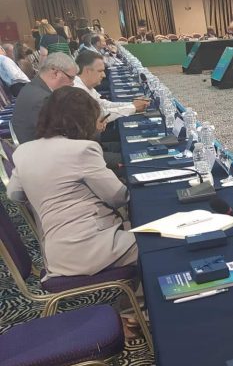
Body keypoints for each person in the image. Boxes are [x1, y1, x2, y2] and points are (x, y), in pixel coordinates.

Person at [7, 87, 138, 281]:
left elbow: (14, 194)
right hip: (91, 249)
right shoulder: (82, 149)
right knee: (159, 242)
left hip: (56, 256)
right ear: (83, 119)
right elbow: (118, 196)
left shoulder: (23, 151)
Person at [11, 52, 78, 144]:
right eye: (71, 78)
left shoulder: (33, 86)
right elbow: (58, 137)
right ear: (55, 73)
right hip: (38, 149)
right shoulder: (43, 99)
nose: (73, 83)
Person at [73, 49, 148, 121]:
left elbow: (105, 104)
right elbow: (100, 116)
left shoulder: (87, 86)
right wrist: (132, 107)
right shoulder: (77, 92)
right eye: (100, 71)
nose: (104, 75)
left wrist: (133, 104)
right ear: (87, 71)